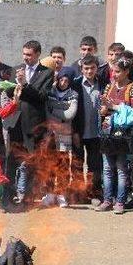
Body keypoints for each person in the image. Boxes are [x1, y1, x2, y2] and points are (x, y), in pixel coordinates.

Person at [8, 40, 54, 206]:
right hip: (15, 122)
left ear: (37, 54)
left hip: (33, 124)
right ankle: (9, 196)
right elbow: (10, 91)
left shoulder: (47, 73)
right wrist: (9, 87)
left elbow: (42, 97)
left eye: (29, 54)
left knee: (32, 160)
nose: (25, 57)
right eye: (24, 54)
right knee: (13, 158)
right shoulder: (16, 69)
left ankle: (28, 197)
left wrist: (25, 85)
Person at [96, 56, 133, 214]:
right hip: (108, 131)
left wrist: (113, 106)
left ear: (126, 71)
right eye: (113, 71)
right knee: (107, 168)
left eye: (117, 71)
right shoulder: (109, 86)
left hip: (124, 134)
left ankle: (120, 201)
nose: (114, 74)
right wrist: (103, 108)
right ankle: (108, 199)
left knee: (122, 168)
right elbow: (103, 110)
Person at [71, 55, 107, 203]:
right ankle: (80, 194)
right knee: (77, 164)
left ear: (97, 68)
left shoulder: (104, 84)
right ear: (81, 69)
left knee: (95, 166)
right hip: (79, 132)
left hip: (96, 133)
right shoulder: (75, 85)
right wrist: (74, 132)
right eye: (86, 68)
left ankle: (94, 194)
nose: (89, 71)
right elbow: (71, 111)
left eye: (92, 68)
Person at [42, 68, 79, 207]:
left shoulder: (73, 94)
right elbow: (46, 111)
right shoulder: (50, 91)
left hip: (64, 134)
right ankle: (50, 194)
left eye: (66, 80)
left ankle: (61, 194)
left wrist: (53, 109)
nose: (63, 83)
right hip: (50, 133)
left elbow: (70, 114)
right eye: (61, 79)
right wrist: (61, 109)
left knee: (63, 165)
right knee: (50, 165)